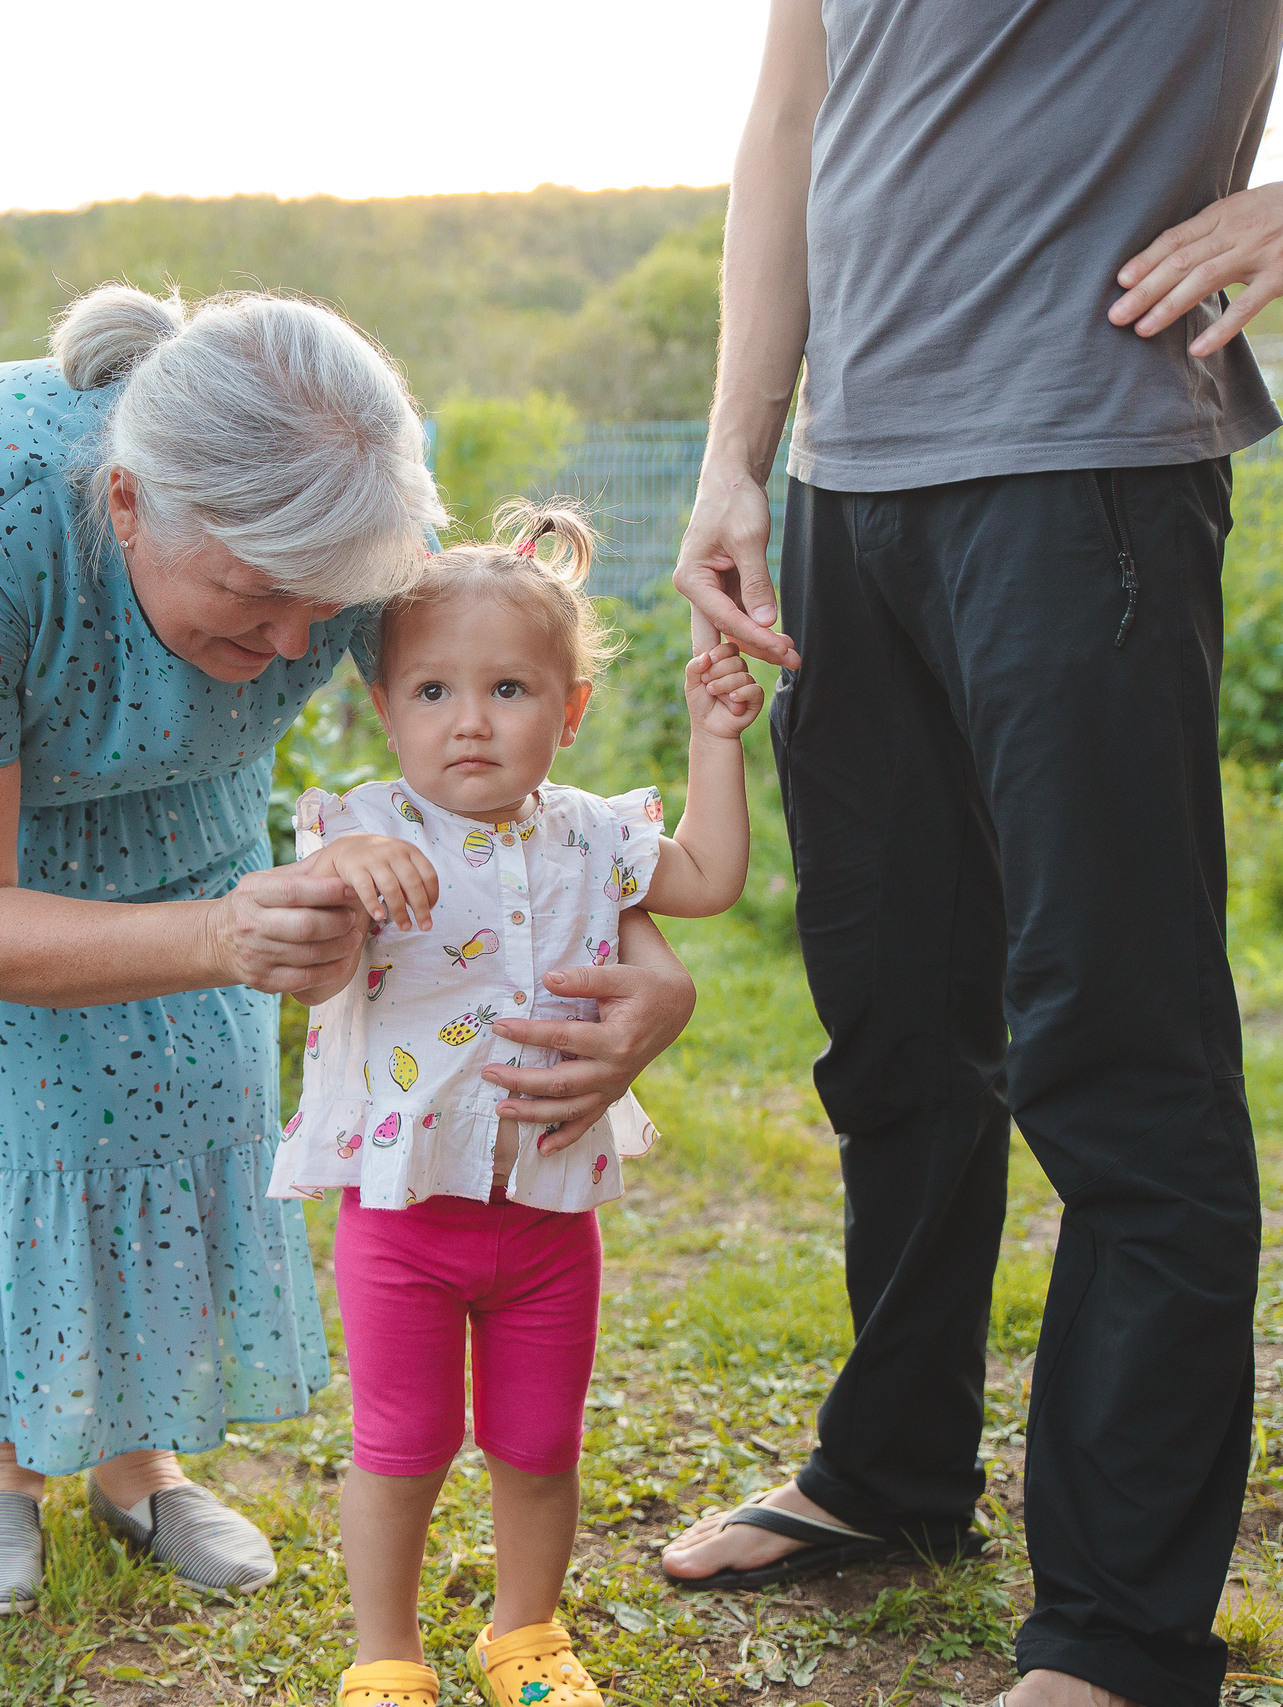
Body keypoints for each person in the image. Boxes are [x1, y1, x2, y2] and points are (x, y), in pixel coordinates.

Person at [653, 3, 1283, 1706]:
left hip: (1080, 465)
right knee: (894, 1028)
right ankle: (889, 1469)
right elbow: (792, 119)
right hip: (847, 488)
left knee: (1116, 1048)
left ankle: (1117, 1633)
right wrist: (734, 452)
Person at [0, 286, 700, 1619]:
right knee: (7, 1111)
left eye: (328, 603)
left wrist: (652, 958)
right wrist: (225, 930)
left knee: (186, 1100)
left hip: (179, 792)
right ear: (128, 505)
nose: (297, 646)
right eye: (254, 597)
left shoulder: (346, 518)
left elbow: (493, 734)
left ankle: (140, 1456)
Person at [270, 505, 761, 1707]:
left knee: (540, 1447)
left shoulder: (594, 837)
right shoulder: (361, 831)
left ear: (569, 711)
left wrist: (715, 739)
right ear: (384, 709)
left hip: (548, 1215)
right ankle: (385, 1652)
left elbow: (708, 879)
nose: (471, 721)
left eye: (508, 689)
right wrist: (332, 873)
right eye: (432, 691)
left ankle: (526, 1636)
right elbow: (296, 942)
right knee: (401, 1447)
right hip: (404, 1221)